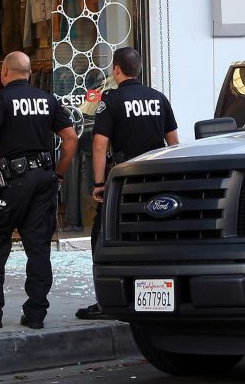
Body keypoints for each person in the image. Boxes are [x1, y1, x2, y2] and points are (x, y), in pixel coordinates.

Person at [0, 51, 78, 330]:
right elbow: (70, 138)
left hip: (11, 183)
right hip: (43, 179)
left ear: (4, 72)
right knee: (38, 248)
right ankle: (36, 314)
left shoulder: (0, 99)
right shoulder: (48, 100)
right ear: (29, 73)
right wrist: (59, 173)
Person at [76, 47, 178, 320]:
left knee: (104, 236)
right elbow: (174, 143)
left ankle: (108, 300)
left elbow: (100, 146)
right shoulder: (159, 98)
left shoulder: (111, 100)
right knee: (154, 237)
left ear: (116, 70)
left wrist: (99, 183)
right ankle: (161, 296)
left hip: (126, 180)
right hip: (158, 179)